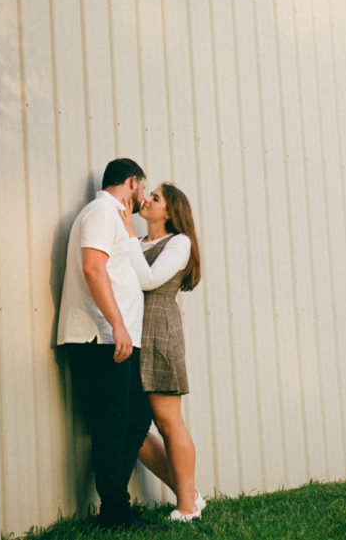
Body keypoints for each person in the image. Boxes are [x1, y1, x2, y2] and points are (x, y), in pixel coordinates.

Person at [56, 158, 158, 530]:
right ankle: (115, 512)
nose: (144, 196)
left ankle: (115, 505)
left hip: (116, 337)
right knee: (113, 423)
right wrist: (118, 326)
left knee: (134, 417)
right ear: (132, 182)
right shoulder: (101, 212)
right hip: (99, 337)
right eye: (143, 187)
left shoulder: (114, 217)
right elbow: (93, 268)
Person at [120, 182, 204, 522]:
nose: (146, 200)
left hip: (159, 334)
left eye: (155, 198)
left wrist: (126, 231)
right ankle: (192, 494)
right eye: (149, 194)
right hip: (133, 334)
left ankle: (186, 508)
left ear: (169, 212)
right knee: (131, 428)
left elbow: (149, 280)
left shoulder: (179, 243)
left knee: (168, 420)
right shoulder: (138, 243)